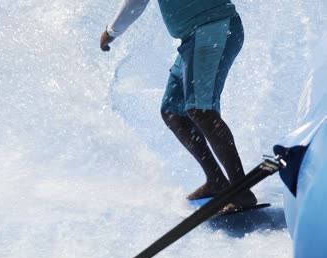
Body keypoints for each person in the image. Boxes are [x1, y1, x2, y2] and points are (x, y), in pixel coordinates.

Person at [100, 0, 257, 211]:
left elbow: (136, 3)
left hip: (214, 28)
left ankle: (241, 190)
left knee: (202, 111)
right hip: (194, 38)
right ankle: (216, 181)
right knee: (173, 112)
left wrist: (111, 32)